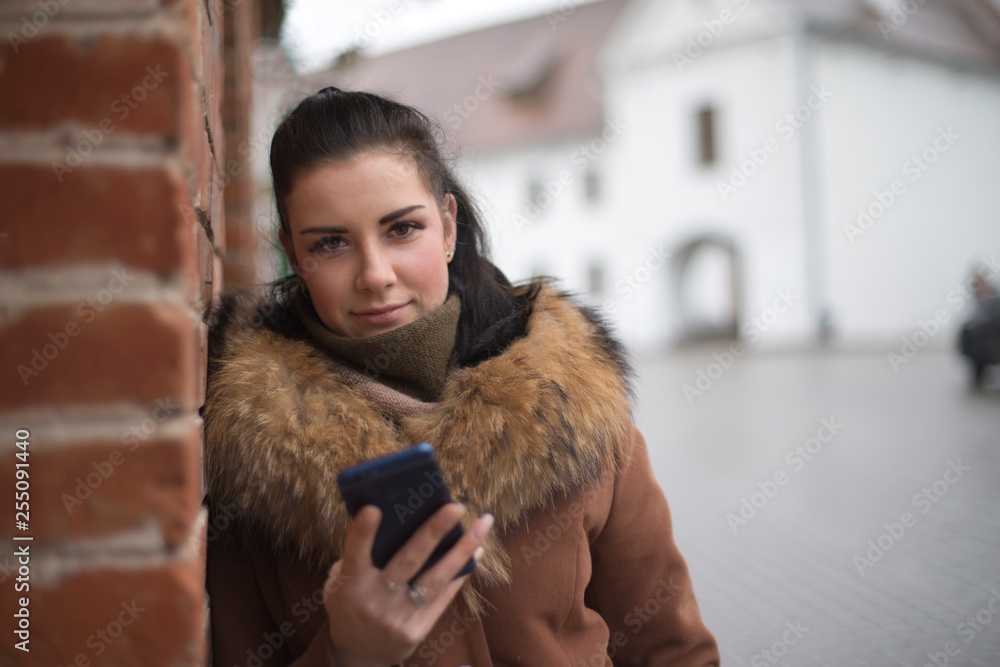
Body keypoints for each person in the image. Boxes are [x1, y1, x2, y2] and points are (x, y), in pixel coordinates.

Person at [203, 86, 720, 667]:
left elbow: (670, 650)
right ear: (294, 256)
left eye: (402, 229)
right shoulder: (249, 452)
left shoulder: (572, 400)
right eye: (330, 243)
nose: (375, 275)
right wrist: (345, 654)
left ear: (448, 226)